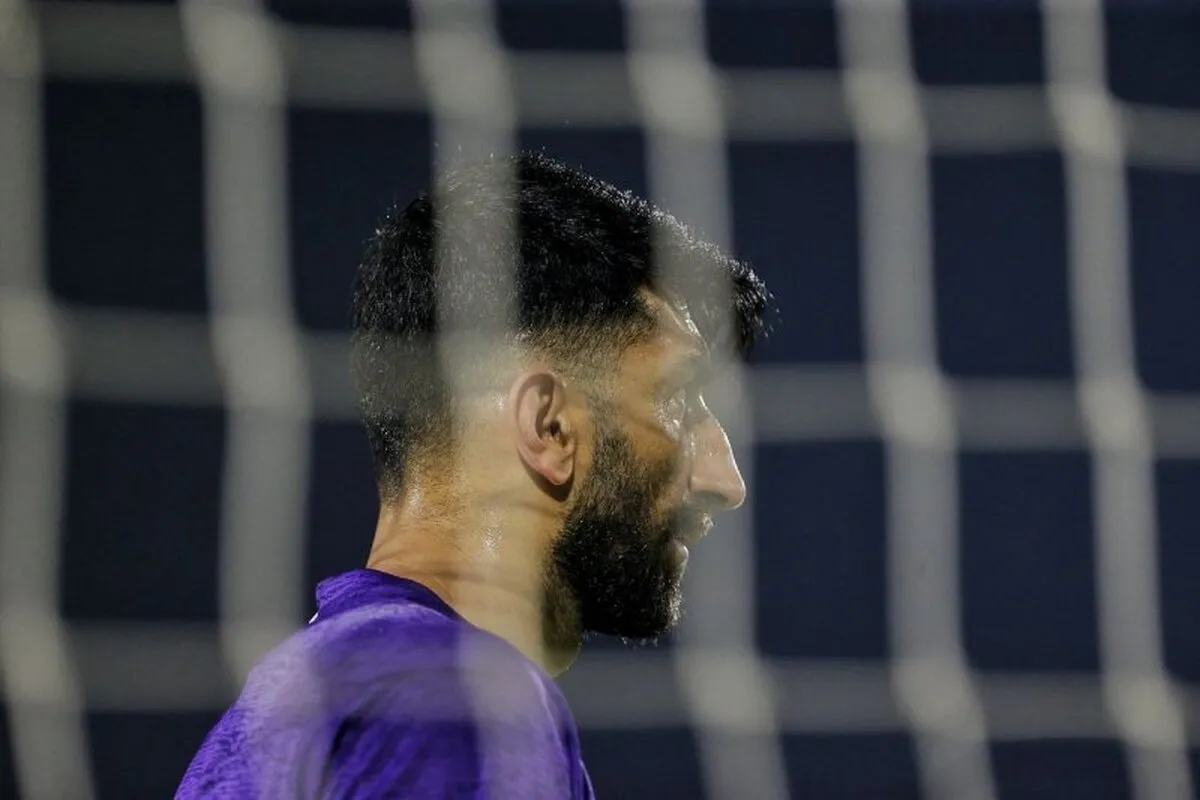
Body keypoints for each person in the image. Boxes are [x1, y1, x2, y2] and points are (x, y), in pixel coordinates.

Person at [177, 154, 770, 798]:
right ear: (549, 426)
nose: (727, 480)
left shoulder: (291, 700)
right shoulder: (460, 698)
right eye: (679, 397)